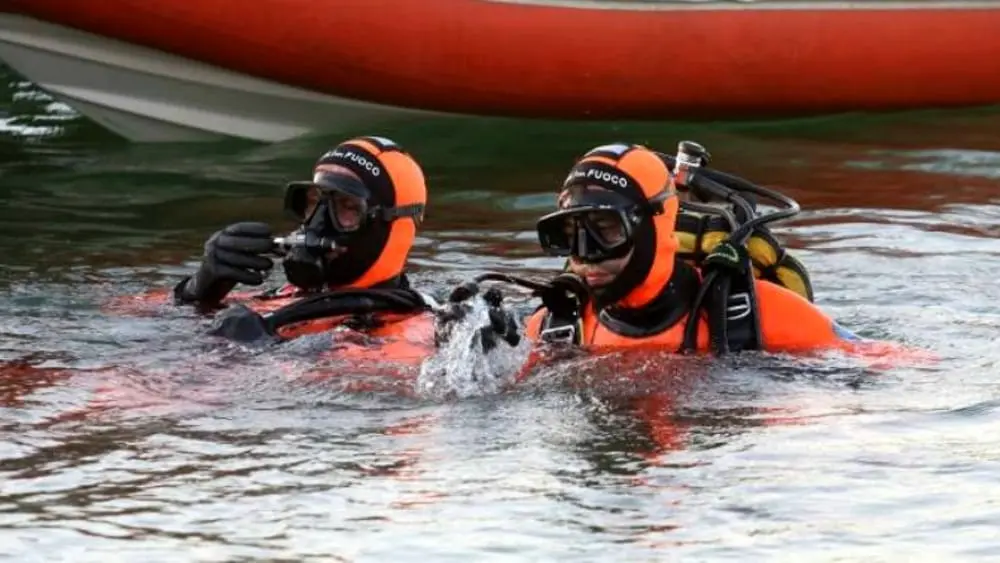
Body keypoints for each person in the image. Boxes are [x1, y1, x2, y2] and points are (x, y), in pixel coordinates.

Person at [495, 141, 876, 355]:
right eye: (570, 233)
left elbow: (893, 367)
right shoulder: (555, 328)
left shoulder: (757, 315)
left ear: (657, 227)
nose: (584, 255)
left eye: (606, 230)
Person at [171, 135, 438, 360]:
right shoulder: (283, 297)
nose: (317, 222)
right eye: (314, 201)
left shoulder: (409, 332)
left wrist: (246, 355)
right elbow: (134, 315)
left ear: (391, 226)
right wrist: (199, 291)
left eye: (347, 207)